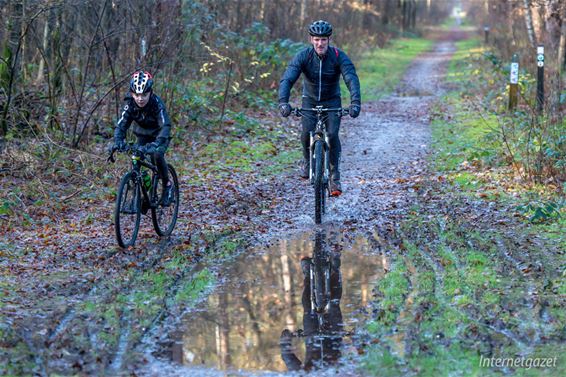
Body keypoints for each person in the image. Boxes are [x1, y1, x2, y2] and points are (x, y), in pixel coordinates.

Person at [278, 20, 361, 196]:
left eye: (323, 39)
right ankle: (308, 161)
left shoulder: (338, 56)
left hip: (332, 102)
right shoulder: (303, 56)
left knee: (331, 135)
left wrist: (355, 102)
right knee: (306, 132)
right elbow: (288, 78)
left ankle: (334, 177)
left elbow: (351, 78)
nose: (320, 43)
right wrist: (283, 102)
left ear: (329, 40)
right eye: (316, 39)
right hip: (310, 101)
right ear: (311, 39)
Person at [113, 70, 173, 206]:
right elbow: (121, 125)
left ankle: (167, 185)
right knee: (136, 158)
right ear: (132, 93)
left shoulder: (157, 103)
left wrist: (159, 141)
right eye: (137, 95)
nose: (140, 98)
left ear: (150, 92)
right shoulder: (130, 104)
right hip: (142, 135)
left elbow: (165, 125)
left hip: (159, 135)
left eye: (144, 94)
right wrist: (117, 141)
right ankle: (139, 193)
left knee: (157, 155)